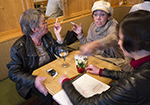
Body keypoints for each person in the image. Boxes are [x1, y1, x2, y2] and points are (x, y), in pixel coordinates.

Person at [59, 10, 150, 104]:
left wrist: (65, 83)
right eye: (95, 15)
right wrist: (101, 71)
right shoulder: (141, 72)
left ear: (134, 43)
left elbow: (83, 103)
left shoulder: (130, 85)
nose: (119, 42)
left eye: (121, 39)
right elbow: (131, 76)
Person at [7, 8, 63, 105]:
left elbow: (60, 53)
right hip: (32, 79)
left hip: (50, 72)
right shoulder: (19, 47)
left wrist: (58, 37)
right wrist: (34, 80)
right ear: (34, 29)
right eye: (44, 22)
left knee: (68, 81)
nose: (47, 24)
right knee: (46, 95)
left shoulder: (47, 36)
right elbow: (13, 73)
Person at [72, 0, 132, 71]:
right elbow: (88, 45)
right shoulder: (93, 26)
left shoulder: (113, 25)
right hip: (99, 59)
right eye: (95, 14)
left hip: (115, 60)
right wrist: (80, 34)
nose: (98, 18)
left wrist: (95, 44)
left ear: (108, 16)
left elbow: (113, 38)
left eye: (102, 15)